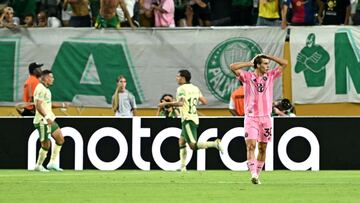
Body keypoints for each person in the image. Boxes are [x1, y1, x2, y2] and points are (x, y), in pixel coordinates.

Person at [230, 54, 288, 184]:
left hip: (266, 118)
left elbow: (285, 63)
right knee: (251, 146)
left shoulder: (271, 76)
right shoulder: (248, 77)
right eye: (265, 64)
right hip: (251, 118)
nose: (268, 66)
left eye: (268, 63)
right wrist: (250, 63)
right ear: (258, 65)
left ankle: (257, 174)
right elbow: (232, 67)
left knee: (262, 148)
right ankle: (253, 174)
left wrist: (269, 57)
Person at [158, 69, 223, 172]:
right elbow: (204, 101)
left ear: (183, 78)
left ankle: (215, 144)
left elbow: (180, 103)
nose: (177, 78)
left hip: (187, 119)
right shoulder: (195, 88)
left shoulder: (181, 89)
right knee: (181, 141)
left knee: (193, 145)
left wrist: (165, 104)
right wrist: (192, 104)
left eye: (178, 76)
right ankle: (183, 167)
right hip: (194, 117)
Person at [33, 70, 68, 172]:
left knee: (60, 139)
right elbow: (38, 105)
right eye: (51, 77)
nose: (53, 79)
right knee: (46, 144)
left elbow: (47, 104)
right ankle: (38, 165)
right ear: (46, 78)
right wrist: (47, 117)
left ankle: (52, 163)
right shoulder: (40, 89)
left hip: (49, 119)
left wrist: (62, 105)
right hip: (42, 121)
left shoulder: (46, 89)